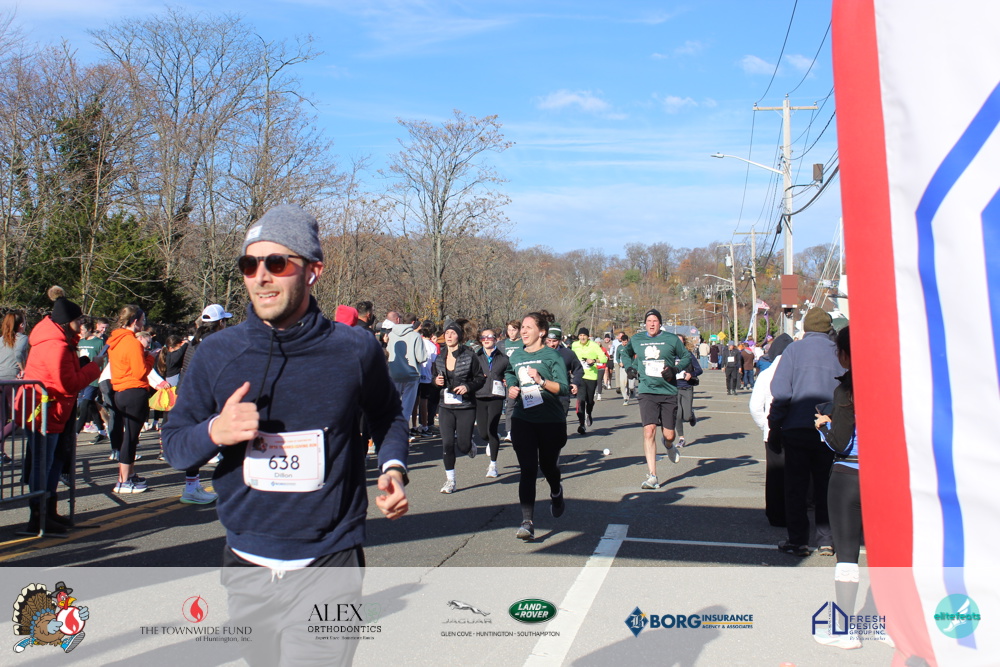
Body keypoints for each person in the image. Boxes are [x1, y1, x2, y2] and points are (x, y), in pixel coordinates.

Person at [162, 204, 408, 667]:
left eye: (277, 263)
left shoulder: (354, 349)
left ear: (313, 271)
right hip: (247, 562)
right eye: (249, 264)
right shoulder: (218, 353)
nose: (261, 277)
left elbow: (387, 413)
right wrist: (216, 430)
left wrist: (393, 467)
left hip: (330, 561)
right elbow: (175, 446)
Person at [16, 287, 102, 533]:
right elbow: (67, 383)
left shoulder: (57, 340)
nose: (82, 325)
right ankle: (39, 516)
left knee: (51, 462)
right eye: (79, 320)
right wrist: (94, 367)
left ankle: (47, 512)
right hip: (46, 411)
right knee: (43, 464)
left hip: (48, 410)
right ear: (67, 322)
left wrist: (82, 364)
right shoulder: (56, 345)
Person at [767, 308, 842, 557]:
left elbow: (781, 393)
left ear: (806, 328)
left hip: (796, 427)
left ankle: (798, 540)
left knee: (796, 488)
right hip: (829, 429)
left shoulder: (794, 350)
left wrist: (774, 425)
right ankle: (826, 540)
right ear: (828, 329)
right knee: (825, 486)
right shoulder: (838, 352)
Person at [812, 326, 869, 649]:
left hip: (849, 474)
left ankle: (845, 630)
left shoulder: (846, 391)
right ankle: (889, 625)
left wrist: (824, 426)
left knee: (847, 556)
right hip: (884, 477)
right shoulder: (891, 385)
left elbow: (840, 442)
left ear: (845, 355)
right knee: (885, 556)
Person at [504, 312, 570, 541]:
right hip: (523, 418)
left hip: (550, 420)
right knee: (528, 468)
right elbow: (510, 374)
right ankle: (527, 522)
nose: (523, 331)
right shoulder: (517, 355)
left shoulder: (552, 355)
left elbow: (563, 387)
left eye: (528, 327)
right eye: (522, 327)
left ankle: (556, 490)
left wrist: (541, 381)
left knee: (548, 466)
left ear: (541, 332)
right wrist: (512, 387)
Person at [620, 309, 691, 490]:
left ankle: (668, 444)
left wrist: (675, 370)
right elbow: (625, 353)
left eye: (655, 321)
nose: (652, 324)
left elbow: (686, 356)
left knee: (669, 434)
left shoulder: (671, 339)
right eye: (649, 321)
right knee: (649, 430)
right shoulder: (637, 339)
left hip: (668, 391)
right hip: (647, 391)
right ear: (645, 323)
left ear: (660, 323)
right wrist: (629, 367)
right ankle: (653, 476)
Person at [107, 305, 155, 494]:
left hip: (120, 391)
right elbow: (140, 371)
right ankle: (123, 480)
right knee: (131, 437)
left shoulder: (115, 340)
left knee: (130, 436)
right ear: (135, 321)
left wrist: (143, 356)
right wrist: (150, 358)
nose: (143, 324)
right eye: (142, 321)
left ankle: (129, 474)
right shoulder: (131, 342)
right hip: (134, 391)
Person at [434, 322, 486, 493]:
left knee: (462, 445)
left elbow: (480, 379)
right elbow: (435, 378)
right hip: (445, 406)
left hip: (465, 406)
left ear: (459, 336)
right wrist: (436, 381)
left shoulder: (470, 356)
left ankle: (469, 445)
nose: (449, 336)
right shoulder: (439, 357)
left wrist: (467, 387)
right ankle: (450, 481)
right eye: (447, 333)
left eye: (453, 333)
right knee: (447, 444)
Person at [748, 333, 793, 527]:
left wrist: (765, 425)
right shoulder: (797, 371)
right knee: (796, 473)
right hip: (795, 429)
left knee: (775, 474)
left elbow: (755, 407)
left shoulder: (766, 375)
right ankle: (795, 512)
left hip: (772, 429)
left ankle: (776, 514)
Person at [474, 328, 509, 478]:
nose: (486, 339)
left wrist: (508, 380)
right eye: (483, 337)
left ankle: (493, 465)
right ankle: (491, 440)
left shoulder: (504, 358)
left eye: (489, 337)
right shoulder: (475, 357)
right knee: (483, 433)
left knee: (492, 429)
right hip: (480, 396)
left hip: (496, 397)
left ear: (495, 339)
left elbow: (509, 373)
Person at [1, 311, 29, 461]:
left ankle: (1, 454)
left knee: (2, 418)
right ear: (21, 324)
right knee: (21, 416)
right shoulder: (22, 338)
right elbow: (18, 354)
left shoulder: (1, 339)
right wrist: (23, 369)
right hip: (12, 380)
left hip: (1, 380)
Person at [570, 327, 606, 434]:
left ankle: (589, 413)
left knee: (589, 401)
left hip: (591, 377)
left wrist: (594, 360)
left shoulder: (594, 345)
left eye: (584, 335)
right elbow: (571, 358)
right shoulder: (574, 345)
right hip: (579, 377)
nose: (582, 337)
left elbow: (604, 359)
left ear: (588, 336)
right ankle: (581, 424)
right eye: (580, 335)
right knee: (580, 400)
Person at [544, 324, 582, 419]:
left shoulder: (568, 354)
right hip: (543, 394)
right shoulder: (539, 353)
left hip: (562, 395)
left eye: (554, 341)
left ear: (560, 340)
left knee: (559, 423)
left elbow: (578, 370)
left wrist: (575, 383)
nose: (551, 344)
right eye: (549, 340)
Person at [672, 335, 703, 447]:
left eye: (680, 341)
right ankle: (681, 438)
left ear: (684, 343)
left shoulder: (688, 355)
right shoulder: (670, 355)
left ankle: (691, 414)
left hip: (687, 387)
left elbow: (699, 370)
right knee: (677, 414)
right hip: (674, 388)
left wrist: (691, 374)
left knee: (686, 416)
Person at [499, 319, 523, 441]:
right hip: (506, 377)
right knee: (509, 404)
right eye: (509, 330)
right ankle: (509, 431)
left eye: (514, 330)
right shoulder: (501, 344)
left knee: (522, 404)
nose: (511, 332)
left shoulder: (523, 343)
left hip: (521, 376)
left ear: (519, 330)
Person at [615, 333, 635, 405]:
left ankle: (632, 390)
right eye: (623, 342)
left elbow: (635, 356)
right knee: (622, 384)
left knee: (631, 386)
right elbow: (617, 357)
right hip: (623, 368)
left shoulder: (631, 347)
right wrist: (619, 362)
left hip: (631, 367)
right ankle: (625, 398)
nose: (624, 344)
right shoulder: (619, 348)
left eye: (625, 342)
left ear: (628, 341)